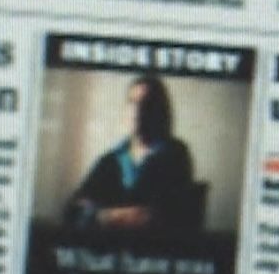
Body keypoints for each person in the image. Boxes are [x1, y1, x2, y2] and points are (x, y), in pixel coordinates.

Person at [64, 72, 198, 234]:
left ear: (160, 111)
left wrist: (102, 215)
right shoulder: (111, 159)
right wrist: (109, 217)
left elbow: (166, 216)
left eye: (146, 104)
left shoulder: (175, 155)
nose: (137, 111)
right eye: (132, 103)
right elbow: (73, 211)